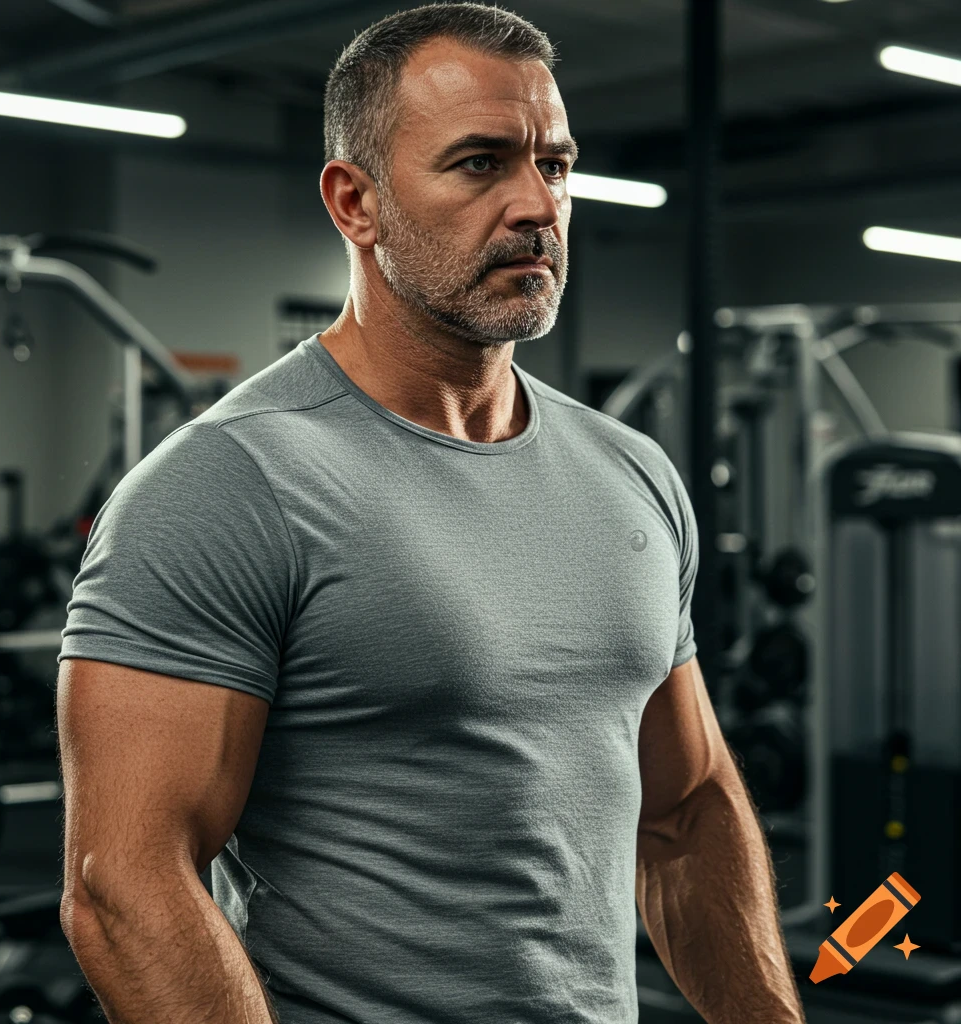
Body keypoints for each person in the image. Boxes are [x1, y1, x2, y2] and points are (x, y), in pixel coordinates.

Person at [56, 4, 806, 1023]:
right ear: (354, 201)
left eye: (556, 163)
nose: (536, 204)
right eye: (480, 163)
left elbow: (683, 812)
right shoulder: (227, 486)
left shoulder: (630, 473)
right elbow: (122, 886)